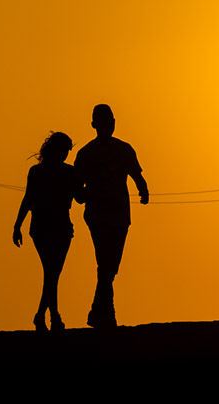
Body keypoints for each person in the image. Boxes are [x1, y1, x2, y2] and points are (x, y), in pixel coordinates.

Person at [74, 104, 149, 329]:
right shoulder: (89, 153)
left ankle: (100, 310)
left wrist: (143, 190)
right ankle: (105, 312)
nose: (109, 125)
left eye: (111, 121)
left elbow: (137, 176)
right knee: (107, 262)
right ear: (95, 125)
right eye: (106, 121)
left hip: (115, 214)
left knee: (108, 263)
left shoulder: (120, 150)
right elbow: (78, 191)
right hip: (104, 214)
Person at [13, 132, 78, 332]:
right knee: (52, 272)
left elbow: (28, 198)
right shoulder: (59, 172)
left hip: (50, 225)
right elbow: (28, 198)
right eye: (65, 150)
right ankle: (50, 316)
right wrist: (17, 225)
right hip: (49, 225)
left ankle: (46, 316)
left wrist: (18, 225)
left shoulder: (44, 172)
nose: (66, 154)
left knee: (51, 272)